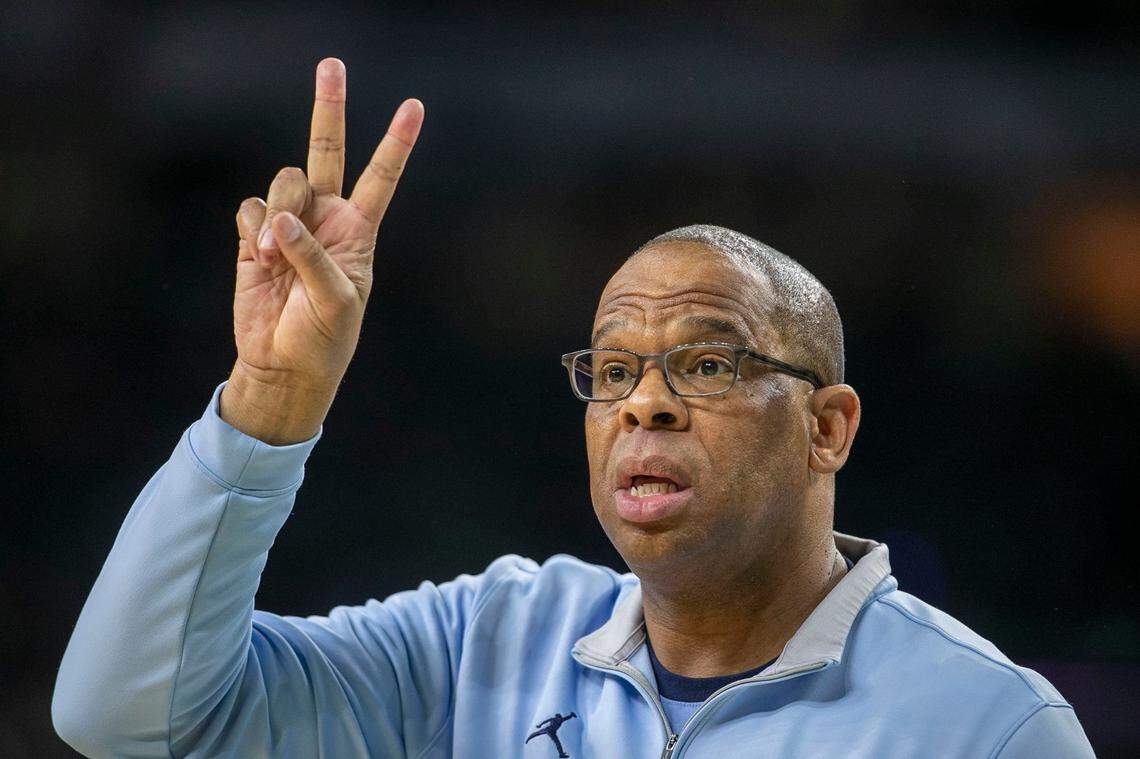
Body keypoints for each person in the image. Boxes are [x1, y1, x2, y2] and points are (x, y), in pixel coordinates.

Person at [51, 58, 1095, 758]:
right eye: (610, 371)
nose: (645, 403)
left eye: (710, 367)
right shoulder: (485, 642)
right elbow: (126, 719)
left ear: (827, 428)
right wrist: (268, 401)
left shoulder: (987, 727)